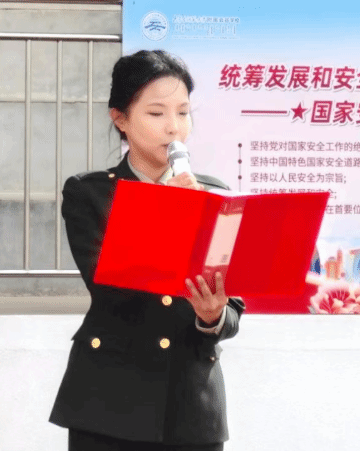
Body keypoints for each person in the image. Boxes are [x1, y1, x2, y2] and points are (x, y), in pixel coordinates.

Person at [49, 50, 245, 451]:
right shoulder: (89, 192)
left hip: (193, 409)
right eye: (156, 113)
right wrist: (165, 210)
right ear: (120, 118)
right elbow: (107, 286)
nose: (174, 127)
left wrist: (212, 317)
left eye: (183, 113)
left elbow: (233, 308)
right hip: (107, 405)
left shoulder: (215, 195)